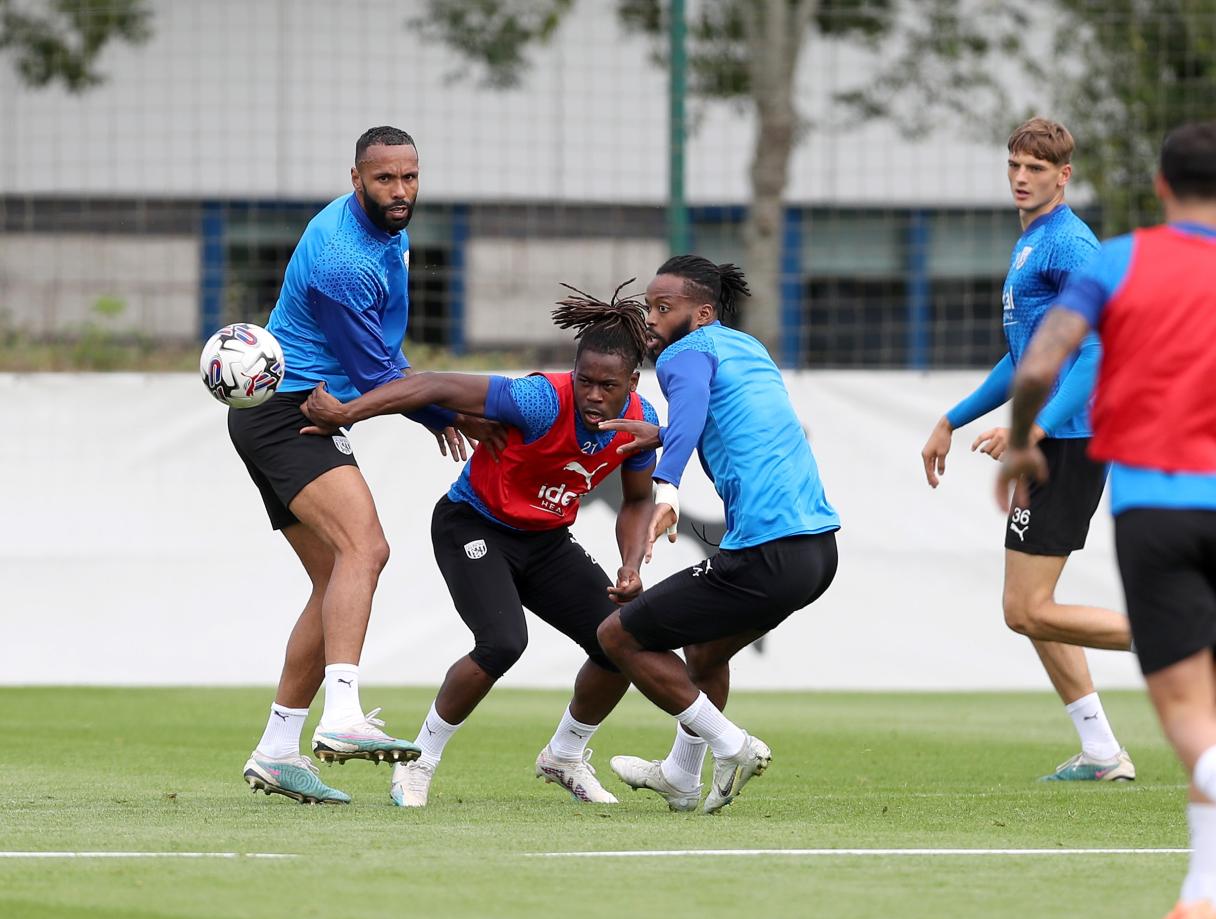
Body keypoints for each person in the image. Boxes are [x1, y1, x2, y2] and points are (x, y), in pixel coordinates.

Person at [998, 122, 1216, 919]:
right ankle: (1202, 895)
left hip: (1157, 507)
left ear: (1159, 186)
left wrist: (1021, 438)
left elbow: (1048, 354)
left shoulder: (1118, 261)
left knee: (1189, 712)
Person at [300, 283, 660, 807]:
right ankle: (418, 763)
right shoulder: (539, 400)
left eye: (608, 385)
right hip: (473, 524)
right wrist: (348, 413)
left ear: (632, 381)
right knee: (503, 642)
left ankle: (564, 754)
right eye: (585, 381)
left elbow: (635, 502)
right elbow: (432, 384)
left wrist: (630, 564)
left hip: (545, 540)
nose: (594, 396)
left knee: (617, 642)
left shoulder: (638, 426)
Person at [233, 126, 497, 805]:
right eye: (385, 179)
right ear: (357, 178)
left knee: (334, 583)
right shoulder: (344, 260)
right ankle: (343, 716)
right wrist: (450, 412)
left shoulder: (383, 229)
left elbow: (383, 359)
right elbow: (372, 371)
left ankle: (276, 750)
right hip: (295, 412)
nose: (401, 191)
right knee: (367, 548)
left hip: (283, 409)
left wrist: (442, 407)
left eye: (410, 177)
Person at [920, 117, 1135, 782]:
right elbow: (1027, 359)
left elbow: (1096, 350)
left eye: (1036, 169)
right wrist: (951, 419)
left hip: (1068, 441)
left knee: (1026, 610)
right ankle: (1100, 750)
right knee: (1031, 607)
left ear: (1063, 176)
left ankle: (1176, 636)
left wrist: (1036, 430)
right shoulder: (1031, 243)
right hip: (1053, 440)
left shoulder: (1068, 244)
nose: (1021, 177)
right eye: (1014, 164)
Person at [595, 255, 840, 814]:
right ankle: (682, 777)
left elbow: (693, 412)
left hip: (767, 550)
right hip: (818, 552)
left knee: (618, 636)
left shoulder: (685, 354)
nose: (652, 321)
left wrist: (667, 491)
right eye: (649, 308)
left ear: (702, 313)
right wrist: (659, 432)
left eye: (665, 308)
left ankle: (731, 746)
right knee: (704, 652)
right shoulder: (746, 347)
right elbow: (715, 415)